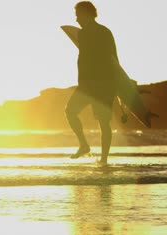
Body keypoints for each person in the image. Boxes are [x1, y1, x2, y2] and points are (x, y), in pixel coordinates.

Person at [65, 1, 119, 164]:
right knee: (70, 111)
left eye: (78, 15)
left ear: (87, 14)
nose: (76, 20)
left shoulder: (104, 33)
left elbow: (114, 59)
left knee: (104, 122)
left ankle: (104, 159)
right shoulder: (81, 34)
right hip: (86, 85)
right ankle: (84, 144)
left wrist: (116, 87)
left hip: (103, 85)